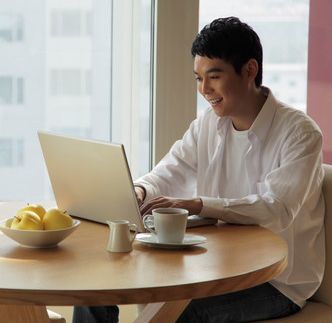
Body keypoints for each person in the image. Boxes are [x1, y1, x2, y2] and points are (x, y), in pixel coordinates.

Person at [73, 17, 325, 323]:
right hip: (217, 263)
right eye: (198, 78)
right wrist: (138, 191)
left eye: (214, 77)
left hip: (276, 282)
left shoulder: (299, 133)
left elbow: (278, 208)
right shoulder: (208, 123)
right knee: (97, 283)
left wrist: (196, 203)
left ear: (249, 70)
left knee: (179, 313)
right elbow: (171, 171)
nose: (204, 89)